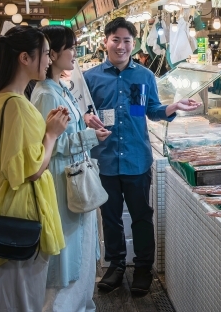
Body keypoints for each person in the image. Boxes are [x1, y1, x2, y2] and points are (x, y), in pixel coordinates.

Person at [84, 17, 200, 295]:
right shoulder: (90, 78)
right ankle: (115, 265)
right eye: (116, 40)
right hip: (105, 159)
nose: (121, 46)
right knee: (110, 217)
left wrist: (173, 106)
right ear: (105, 42)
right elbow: (83, 113)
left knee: (141, 216)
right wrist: (86, 118)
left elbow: (150, 111)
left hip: (137, 158)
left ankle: (144, 267)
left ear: (133, 44)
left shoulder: (144, 76)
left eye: (126, 41)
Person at [0, 26, 69, 311]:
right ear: (25, 58)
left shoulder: (3, 97)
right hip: (23, 208)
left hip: (8, 202)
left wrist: (44, 129)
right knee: (24, 300)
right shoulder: (16, 105)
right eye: (45, 53)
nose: (50, 60)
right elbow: (31, 170)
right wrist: (51, 134)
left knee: (14, 297)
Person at [31, 26, 112, 312]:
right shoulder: (46, 95)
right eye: (70, 48)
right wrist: (92, 136)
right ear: (51, 54)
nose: (74, 54)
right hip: (63, 180)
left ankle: (78, 303)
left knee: (80, 244)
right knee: (67, 251)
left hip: (75, 178)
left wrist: (84, 121)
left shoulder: (59, 88)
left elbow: (65, 129)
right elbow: (52, 143)